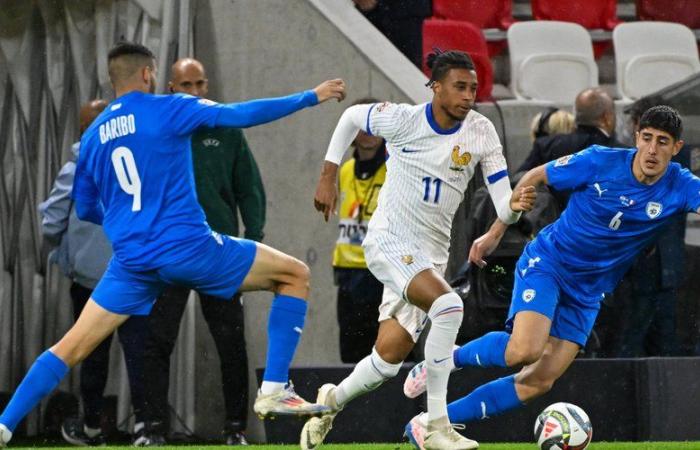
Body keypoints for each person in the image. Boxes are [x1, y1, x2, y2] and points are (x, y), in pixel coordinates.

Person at [0, 41, 346, 447]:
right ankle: (273, 389)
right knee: (295, 275)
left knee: (70, 347)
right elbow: (240, 115)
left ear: (113, 79)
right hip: (189, 248)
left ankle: (4, 426)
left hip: (131, 262)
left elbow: (87, 206)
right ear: (148, 75)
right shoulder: (169, 107)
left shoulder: (93, 136)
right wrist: (311, 96)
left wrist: (126, 223)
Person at [402, 106, 700, 449]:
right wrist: (496, 233)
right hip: (549, 264)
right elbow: (534, 176)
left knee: (539, 381)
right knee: (523, 351)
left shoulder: (680, 185)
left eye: (662, 142)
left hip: (588, 291)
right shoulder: (599, 161)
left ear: (676, 148)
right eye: (646, 138)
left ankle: (432, 423)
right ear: (636, 138)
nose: (652, 150)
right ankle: (445, 359)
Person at [303, 50, 535, 450]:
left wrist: (512, 209)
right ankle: (436, 425)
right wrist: (327, 173)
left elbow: (502, 205)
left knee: (386, 363)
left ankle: (329, 403)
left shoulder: (481, 132)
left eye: (474, 88)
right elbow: (351, 118)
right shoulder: (404, 119)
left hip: (429, 257)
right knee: (450, 307)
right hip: (389, 240)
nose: (468, 95)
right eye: (459, 87)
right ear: (436, 87)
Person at [138, 58, 265, 446]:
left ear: (207, 86)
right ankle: (153, 428)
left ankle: (235, 429)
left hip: (217, 253)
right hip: (169, 252)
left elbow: (250, 191)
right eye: (186, 85)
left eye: (200, 83)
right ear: (171, 88)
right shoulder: (158, 132)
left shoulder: (225, 129)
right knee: (157, 340)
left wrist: (252, 241)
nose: (194, 92)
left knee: (230, 343)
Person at [39, 99, 149, 446]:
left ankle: (91, 427)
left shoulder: (75, 168)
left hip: (93, 281)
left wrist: (68, 257)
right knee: (136, 353)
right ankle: (147, 427)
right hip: (130, 278)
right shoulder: (135, 165)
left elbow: (51, 223)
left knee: (92, 354)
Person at [613, 98, 690, 357]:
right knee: (660, 345)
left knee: (632, 344)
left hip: (647, 271)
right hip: (659, 270)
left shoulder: (642, 165)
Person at [332, 97, 387, 363]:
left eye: (373, 124)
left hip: (382, 274)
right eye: (361, 125)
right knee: (350, 356)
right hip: (348, 274)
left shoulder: (395, 168)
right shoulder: (346, 170)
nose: (367, 132)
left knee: (386, 354)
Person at [517, 87, 624, 211]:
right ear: (607, 117)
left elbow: (519, 182)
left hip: (550, 226)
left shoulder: (546, 145)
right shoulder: (621, 153)